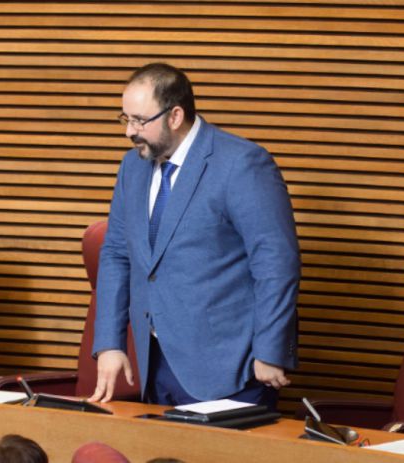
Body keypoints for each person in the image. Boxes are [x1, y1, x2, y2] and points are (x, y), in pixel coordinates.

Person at [89, 62, 301, 409]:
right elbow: (116, 253)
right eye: (124, 118)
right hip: (153, 361)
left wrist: (270, 349)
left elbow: (276, 262)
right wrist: (110, 344)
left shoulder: (241, 163)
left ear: (174, 116)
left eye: (139, 120)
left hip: (230, 366)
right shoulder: (133, 166)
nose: (129, 131)